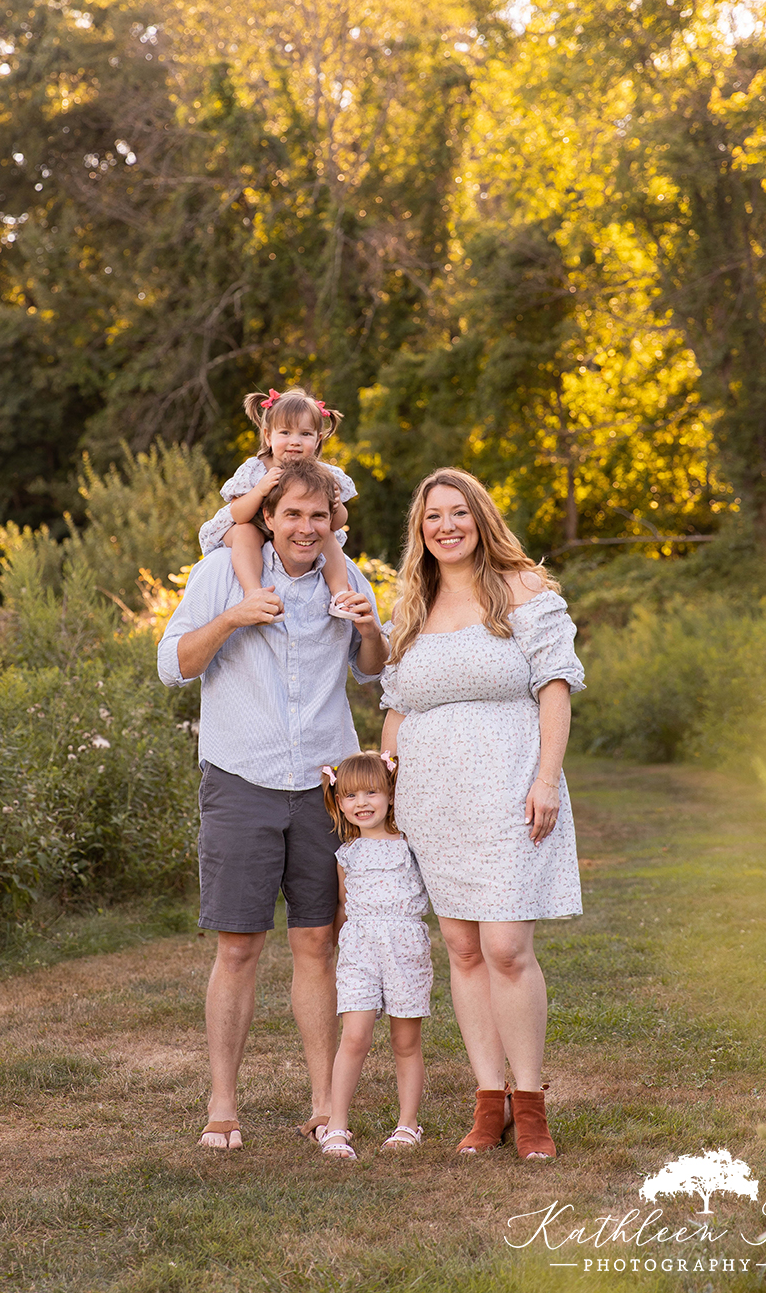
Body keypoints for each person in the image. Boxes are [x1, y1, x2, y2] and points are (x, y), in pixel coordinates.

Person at [157, 457, 388, 1150]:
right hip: (241, 778)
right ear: (267, 516)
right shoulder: (220, 574)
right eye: (292, 514)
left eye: (318, 515)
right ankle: (222, 1105)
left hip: (322, 786)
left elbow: (373, 670)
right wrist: (233, 617)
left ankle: (324, 1105)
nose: (305, 528)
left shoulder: (347, 580)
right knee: (238, 946)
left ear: (332, 521)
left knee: (318, 941)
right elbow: (173, 665)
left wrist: (369, 629)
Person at [379, 468, 585, 1160]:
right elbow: (396, 709)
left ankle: (530, 1106)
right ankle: (487, 1100)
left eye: (458, 512)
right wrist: (385, 791)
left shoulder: (523, 591)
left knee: (505, 948)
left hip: (507, 789)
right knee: (462, 949)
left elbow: (555, 687)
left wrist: (546, 779)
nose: (446, 526)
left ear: (480, 519)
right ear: (420, 529)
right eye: (433, 516)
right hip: (432, 802)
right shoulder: (412, 607)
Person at [317, 750, 433, 1160]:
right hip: (359, 950)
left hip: (405, 948)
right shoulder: (346, 854)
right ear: (338, 801)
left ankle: (408, 1123)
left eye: (371, 792)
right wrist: (339, 949)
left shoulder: (410, 846)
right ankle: (336, 1125)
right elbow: (344, 905)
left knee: (405, 1040)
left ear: (390, 794)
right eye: (350, 796)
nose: (361, 803)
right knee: (355, 1037)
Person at [198, 386, 362, 618]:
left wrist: (337, 504)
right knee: (246, 531)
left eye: (305, 434)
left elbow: (336, 523)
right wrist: (259, 490)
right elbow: (238, 514)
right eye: (285, 432)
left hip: (292, 533)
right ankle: (253, 592)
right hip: (252, 526)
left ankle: (340, 595)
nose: (295, 441)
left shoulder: (323, 475)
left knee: (329, 537)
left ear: (318, 439)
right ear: (268, 436)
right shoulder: (256, 469)